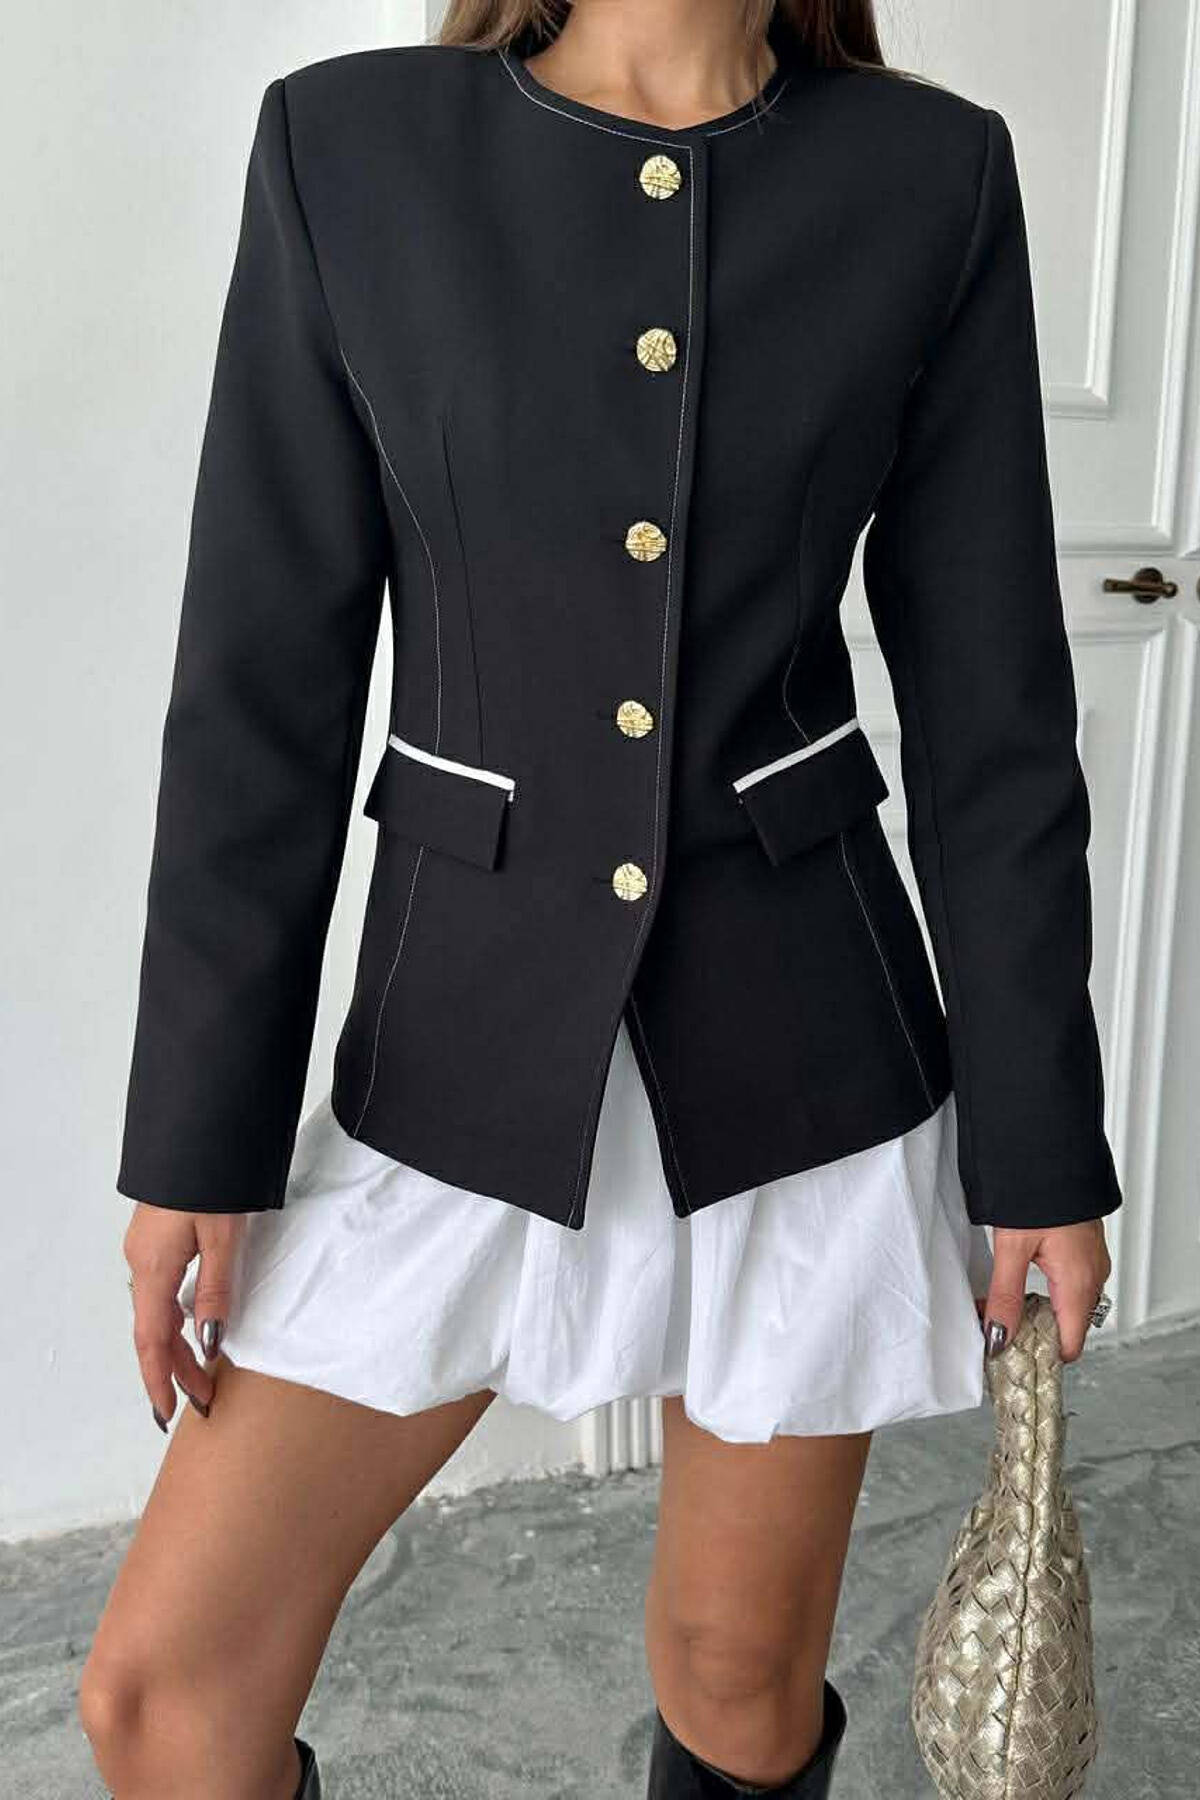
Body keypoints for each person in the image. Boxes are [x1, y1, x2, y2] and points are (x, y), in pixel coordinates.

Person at [83, 2, 1119, 1795]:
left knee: (737, 1679)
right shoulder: (348, 149)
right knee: (162, 1700)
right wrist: (199, 1136)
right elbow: (261, 688)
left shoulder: (929, 177)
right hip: (458, 1037)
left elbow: (992, 708)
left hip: (807, 1053)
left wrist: (1038, 1146)